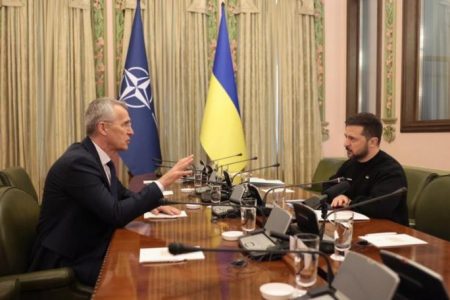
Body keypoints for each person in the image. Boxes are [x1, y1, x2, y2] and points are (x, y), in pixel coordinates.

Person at [28, 98, 193, 287]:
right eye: (125, 125)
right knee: (151, 275)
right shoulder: (78, 163)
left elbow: (122, 193)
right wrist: (163, 182)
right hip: (68, 260)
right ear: (103, 128)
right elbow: (116, 214)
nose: (131, 131)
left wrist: (154, 205)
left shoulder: (97, 157)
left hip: (89, 245)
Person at [323, 113, 408, 225]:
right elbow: (328, 187)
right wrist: (340, 196)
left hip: (386, 233)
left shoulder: (391, 171)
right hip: (353, 225)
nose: (345, 143)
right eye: (346, 137)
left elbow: (379, 208)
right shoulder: (350, 164)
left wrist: (348, 201)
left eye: (352, 139)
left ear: (373, 142)